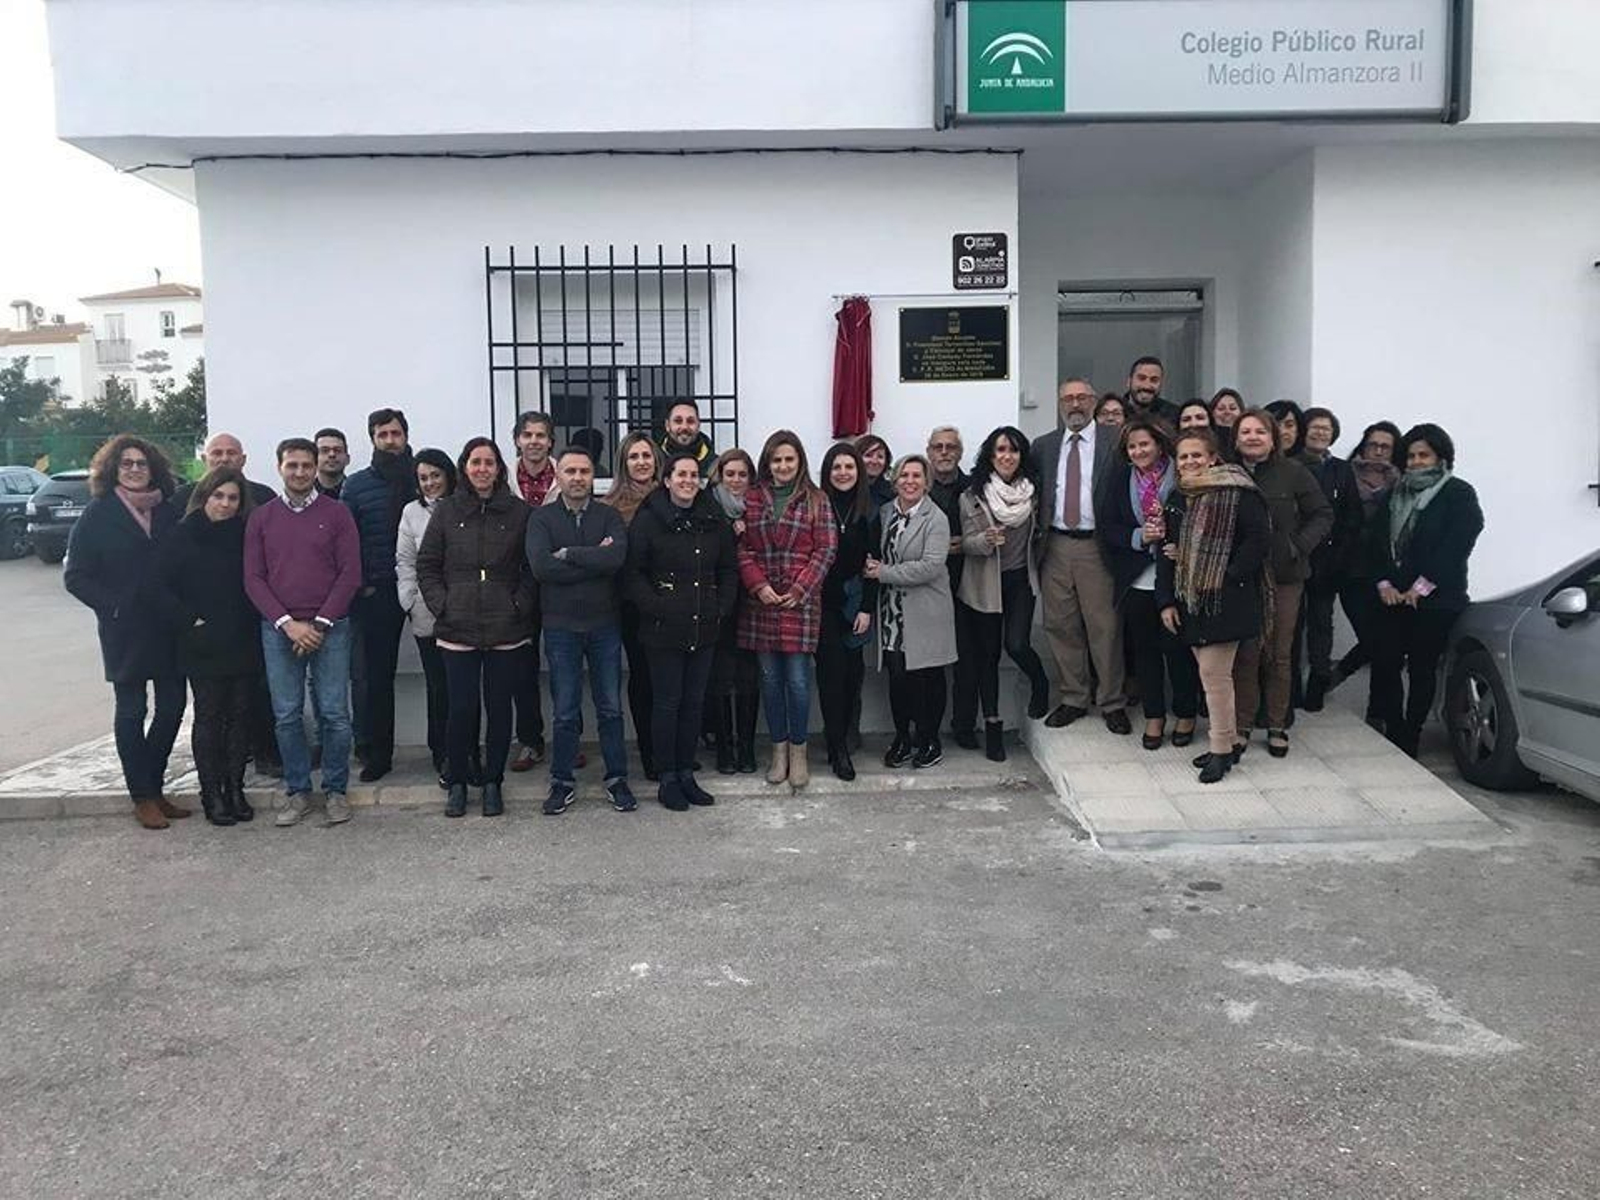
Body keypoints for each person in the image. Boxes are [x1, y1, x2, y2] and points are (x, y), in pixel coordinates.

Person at [64, 435, 189, 830]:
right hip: (126, 631)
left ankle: (152, 785)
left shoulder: (167, 512)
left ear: (154, 469)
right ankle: (143, 797)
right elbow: (76, 577)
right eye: (127, 463)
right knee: (132, 711)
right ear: (113, 469)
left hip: (168, 627)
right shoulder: (98, 515)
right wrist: (115, 606)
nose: (135, 469)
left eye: (142, 464)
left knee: (172, 708)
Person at [244, 438, 362, 827]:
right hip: (279, 629)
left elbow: (350, 574)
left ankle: (335, 790)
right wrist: (288, 624)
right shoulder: (262, 518)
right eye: (291, 465)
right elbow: (254, 578)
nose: (299, 472)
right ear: (279, 467)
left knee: (334, 714)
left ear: (316, 468)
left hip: (332, 626)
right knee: (287, 714)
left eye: (305, 465)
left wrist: (322, 622)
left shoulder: (338, 513)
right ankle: (297, 790)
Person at [416, 438, 537, 818]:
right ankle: (457, 783)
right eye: (475, 462)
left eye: (489, 462)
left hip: (506, 627)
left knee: (499, 710)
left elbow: (532, 569)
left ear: (499, 468)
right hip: (457, 626)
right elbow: (427, 566)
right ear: (464, 469)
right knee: (461, 709)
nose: (482, 469)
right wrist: (444, 605)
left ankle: (492, 782)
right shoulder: (448, 511)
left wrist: (519, 605)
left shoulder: (520, 513)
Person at [1155, 429, 1273, 784]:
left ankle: (1222, 751)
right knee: (1213, 676)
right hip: (1190, 599)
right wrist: (1165, 601)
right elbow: (1167, 549)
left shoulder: (1238, 492)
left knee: (1214, 676)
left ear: (1213, 458)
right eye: (1183, 457)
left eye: (1196, 455)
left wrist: (1227, 573)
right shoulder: (1178, 495)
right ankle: (1224, 743)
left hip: (1227, 598)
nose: (1189, 462)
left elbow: (1258, 539)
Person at [624, 450, 738, 810]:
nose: (688, 481)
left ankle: (687, 774)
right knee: (667, 703)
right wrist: (657, 606)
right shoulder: (649, 519)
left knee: (693, 703)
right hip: (662, 629)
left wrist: (720, 609)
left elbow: (729, 570)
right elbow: (633, 573)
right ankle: (667, 776)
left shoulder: (713, 518)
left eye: (694, 475)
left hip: (703, 626)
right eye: (681, 475)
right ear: (668, 480)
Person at [527, 446, 637, 814]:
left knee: (610, 707)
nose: (577, 478)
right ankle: (561, 782)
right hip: (560, 627)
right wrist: (593, 556)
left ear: (594, 476)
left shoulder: (608, 516)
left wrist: (569, 553)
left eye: (584, 471)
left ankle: (617, 778)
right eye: (570, 471)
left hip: (604, 625)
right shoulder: (541, 519)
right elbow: (542, 568)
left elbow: (616, 559)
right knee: (564, 710)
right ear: (559, 476)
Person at [149, 468, 261, 826]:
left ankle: (235, 788)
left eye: (232, 498)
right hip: (201, 642)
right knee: (210, 717)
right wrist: (189, 621)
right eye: (219, 496)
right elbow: (158, 587)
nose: (225, 505)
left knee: (242, 715)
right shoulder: (183, 534)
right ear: (205, 496)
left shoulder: (245, 534)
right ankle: (211, 792)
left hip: (241, 637)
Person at [1366, 424, 1483, 758]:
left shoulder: (1458, 493)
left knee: (1421, 667)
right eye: (1411, 455)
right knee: (1386, 663)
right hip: (1392, 599)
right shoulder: (1394, 494)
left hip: (1436, 600)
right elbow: (1376, 544)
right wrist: (1385, 584)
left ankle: (1412, 732)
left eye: (1424, 455)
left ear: (1441, 458)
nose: (1416, 462)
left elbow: (1458, 542)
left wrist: (1422, 587)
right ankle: (1394, 724)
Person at [737, 430, 838, 790]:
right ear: (768, 462)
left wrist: (800, 589)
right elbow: (741, 548)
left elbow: (825, 550)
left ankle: (798, 752)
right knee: (769, 680)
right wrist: (759, 586)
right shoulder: (750, 499)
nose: (782, 466)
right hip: (760, 602)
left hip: (801, 604)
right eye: (776, 459)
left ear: (799, 462)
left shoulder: (816, 499)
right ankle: (778, 752)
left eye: (789, 459)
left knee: (797, 682)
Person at [1229, 409, 1333, 758]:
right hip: (1242, 578)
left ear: (1273, 438)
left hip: (1285, 577)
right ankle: (1242, 725)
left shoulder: (1294, 472)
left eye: (1261, 431)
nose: (1253, 437)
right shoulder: (1226, 473)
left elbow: (1322, 514)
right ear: (1236, 438)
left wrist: (1297, 546)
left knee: (1279, 654)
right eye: (1246, 431)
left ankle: (1276, 725)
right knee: (1245, 654)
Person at [1034, 378, 1131, 734]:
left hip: (1097, 546)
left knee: (1104, 626)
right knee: (1061, 625)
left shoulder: (1115, 440)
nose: (1074, 404)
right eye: (1067, 398)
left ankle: (1111, 701)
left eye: (1081, 397)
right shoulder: (1043, 446)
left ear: (1093, 401)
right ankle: (1074, 697)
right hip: (1055, 545)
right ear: (1059, 404)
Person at [1098, 420, 1199, 751]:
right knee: (1145, 653)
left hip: (1177, 578)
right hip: (1136, 578)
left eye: (1144, 444)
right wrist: (1138, 537)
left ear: (1159, 444)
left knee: (1178, 650)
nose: (1139, 451)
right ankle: (1154, 715)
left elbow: (1202, 521)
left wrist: (1178, 543)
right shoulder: (1120, 479)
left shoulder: (1182, 476)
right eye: (1132, 447)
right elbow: (1108, 527)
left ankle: (1185, 713)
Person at [957, 427, 1051, 761]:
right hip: (984, 586)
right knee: (988, 657)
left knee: (1017, 644)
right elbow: (965, 543)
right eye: (1000, 450)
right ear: (991, 456)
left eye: (1013, 450)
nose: (1007, 456)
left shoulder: (1033, 493)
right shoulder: (972, 495)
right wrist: (983, 541)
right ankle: (993, 725)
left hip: (1020, 581)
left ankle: (1041, 683)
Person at [867, 454, 956, 768]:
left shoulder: (937, 518)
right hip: (892, 611)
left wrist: (884, 573)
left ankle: (930, 739)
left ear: (927, 481)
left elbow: (931, 567)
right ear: (895, 480)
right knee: (898, 678)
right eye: (904, 475)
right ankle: (903, 737)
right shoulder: (885, 511)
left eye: (917, 476)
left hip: (927, 610)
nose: (910, 481)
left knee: (927, 678)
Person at [341, 407, 414, 783]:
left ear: (405, 435)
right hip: (377, 590)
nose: (390, 440)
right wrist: (361, 585)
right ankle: (376, 752)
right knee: (375, 676)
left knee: (442, 672)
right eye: (382, 434)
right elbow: (346, 542)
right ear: (372, 439)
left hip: (421, 586)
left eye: (396, 433)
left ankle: (445, 748)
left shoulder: (424, 477)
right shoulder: (355, 486)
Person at [395, 448, 457, 788]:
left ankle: (463, 751)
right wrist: (408, 598)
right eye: (424, 478)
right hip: (426, 612)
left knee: (461, 687)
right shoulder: (411, 512)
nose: (431, 482)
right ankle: (441, 752)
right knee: (438, 685)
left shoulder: (462, 505)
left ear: (448, 474)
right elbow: (404, 561)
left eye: (436, 475)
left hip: (463, 611)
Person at [815, 442, 878, 780]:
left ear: (859, 472)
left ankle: (844, 736)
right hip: (821, 603)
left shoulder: (869, 510)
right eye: (836, 467)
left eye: (849, 467)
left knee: (852, 676)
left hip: (856, 604)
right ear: (827, 472)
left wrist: (867, 608)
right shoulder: (817, 506)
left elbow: (874, 563)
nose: (843, 473)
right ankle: (837, 748)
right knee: (831, 676)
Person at [1296, 407, 1364, 712]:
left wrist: (1340, 557)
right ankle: (1291, 686)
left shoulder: (1341, 469)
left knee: (1322, 624)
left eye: (1326, 428)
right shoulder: (1291, 464)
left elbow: (1352, 516)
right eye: (1315, 427)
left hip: (1329, 562)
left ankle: (1318, 683)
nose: (1320, 432)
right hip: (1295, 558)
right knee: (1292, 626)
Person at [1329, 421, 1403, 703]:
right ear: (1364, 445)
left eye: (1386, 447)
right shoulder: (1344, 475)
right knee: (1374, 639)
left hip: (1390, 573)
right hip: (1353, 571)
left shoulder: (1402, 482)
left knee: (1387, 646)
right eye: (1374, 444)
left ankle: (1378, 710)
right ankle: (1339, 673)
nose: (1379, 451)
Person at [604, 431, 664, 777]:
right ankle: (649, 753)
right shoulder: (611, 505)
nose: (641, 462)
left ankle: (671, 747)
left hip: (673, 603)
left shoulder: (673, 495)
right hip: (632, 606)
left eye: (646, 455)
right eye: (633, 457)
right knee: (644, 676)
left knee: (670, 679)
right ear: (624, 464)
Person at [508, 410, 557, 772]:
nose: (535, 441)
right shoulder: (503, 479)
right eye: (528, 435)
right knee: (521, 668)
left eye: (541, 435)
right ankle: (530, 740)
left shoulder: (566, 476)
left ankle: (567, 741)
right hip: (515, 583)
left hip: (559, 584)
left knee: (563, 665)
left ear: (550, 441)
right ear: (517, 440)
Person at [706, 448, 761, 774]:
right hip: (719, 602)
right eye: (730, 474)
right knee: (720, 677)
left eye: (742, 475)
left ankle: (748, 748)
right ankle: (725, 747)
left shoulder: (759, 507)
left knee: (749, 678)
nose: (736, 481)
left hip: (754, 602)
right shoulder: (708, 506)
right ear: (720, 476)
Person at [926, 425, 978, 749]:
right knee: (928, 664)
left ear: (960, 452)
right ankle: (927, 728)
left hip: (966, 585)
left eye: (951, 447)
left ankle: (964, 726)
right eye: (938, 447)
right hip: (926, 587)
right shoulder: (917, 487)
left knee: (967, 661)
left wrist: (966, 544)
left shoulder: (975, 488)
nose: (944, 452)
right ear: (929, 451)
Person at [167, 432, 277, 512]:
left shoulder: (265, 496)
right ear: (204, 459)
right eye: (217, 453)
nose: (224, 459)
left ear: (243, 459)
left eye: (231, 453)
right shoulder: (181, 497)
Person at [659, 399, 715, 477]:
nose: (684, 427)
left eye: (690, 421)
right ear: (667, 425)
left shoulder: (715, 465)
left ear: (698, 425)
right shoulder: (655, 464)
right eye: (678, 421)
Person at [1123, 355, 1179, 426]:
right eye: (1141, 378)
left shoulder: (1174, 415)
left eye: (1154, 380)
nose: (1147, 386)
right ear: (1129, 381)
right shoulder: (1115, 412)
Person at [856, 434, 895, 508]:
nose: (874, 461)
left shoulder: (894, 492)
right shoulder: (846, 488)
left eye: (880, 456)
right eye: (868, 455)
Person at [314, 428, 350, 499]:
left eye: (338, 450)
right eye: (324, 450)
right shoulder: (304, 494)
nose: (332, 454)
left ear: (347, 459)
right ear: (313, 459)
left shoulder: (359, 492)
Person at [1209, 388, 1245, 457]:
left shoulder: (1247, 438)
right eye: (1221, 409)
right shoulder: (1207, 441)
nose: (1227, 412)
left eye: (1232, 408)